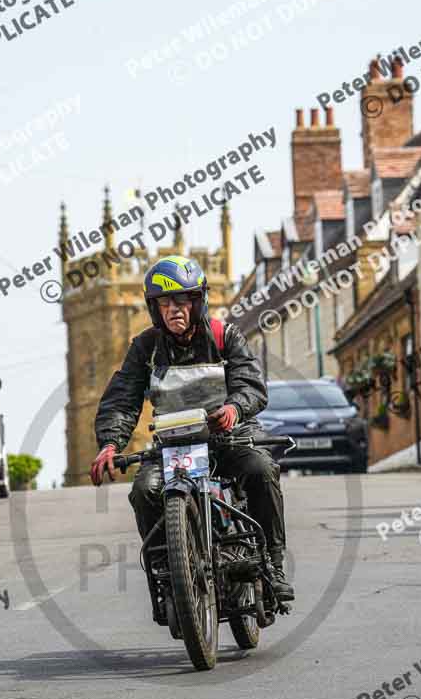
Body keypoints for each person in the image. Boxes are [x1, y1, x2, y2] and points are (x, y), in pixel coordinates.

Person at [90, 255, 294, 600]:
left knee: (260, 469)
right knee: (143, 491)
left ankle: (272, 565)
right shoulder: (144, 347)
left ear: (198, 301)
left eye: (184, 300)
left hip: (227, 441)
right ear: (154, 308)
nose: (175, 309)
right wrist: (110, 443)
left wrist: (234, 407)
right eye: (166, 302)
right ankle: (167, 574)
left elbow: (250, 385)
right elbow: (122, 399)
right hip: (171, 448)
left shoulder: (224, 335)